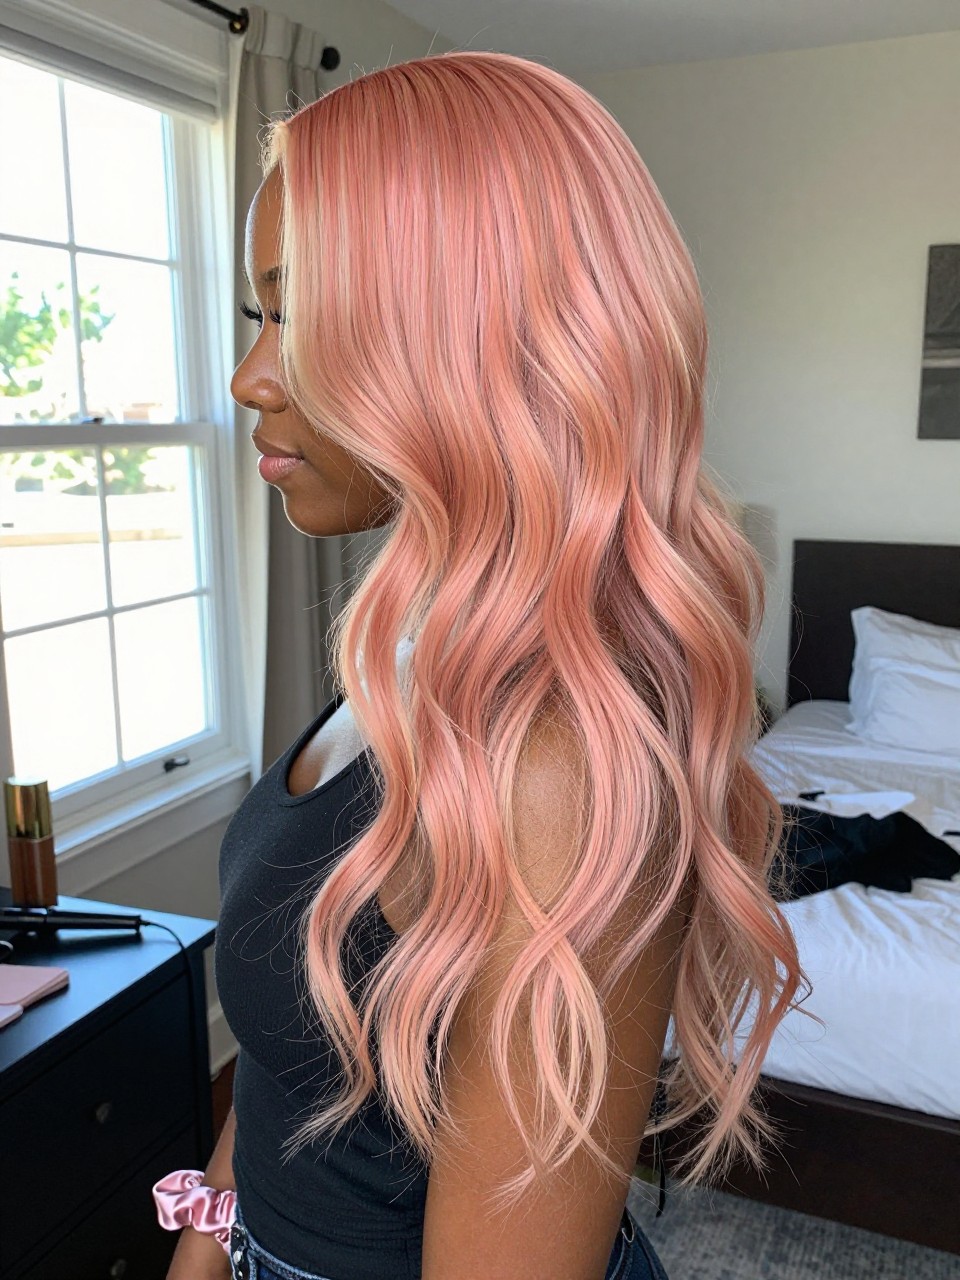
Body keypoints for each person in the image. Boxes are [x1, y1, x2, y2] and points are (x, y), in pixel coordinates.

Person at [160, 50, 807, 1280]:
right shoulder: (409, 654)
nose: (249, 375)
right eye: (258, 316)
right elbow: (280, 1061)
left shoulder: (553, 755)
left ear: (469, 339)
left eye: (296, 314)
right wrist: (196, 1253)